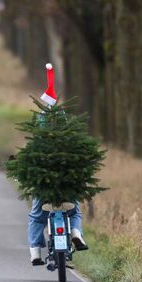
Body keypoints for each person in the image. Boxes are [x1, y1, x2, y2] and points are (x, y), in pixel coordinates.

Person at [28, 63, 88, 265]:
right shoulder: (69, 142)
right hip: (66, 187)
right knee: (75, 210)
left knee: (37, 216)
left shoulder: (38, 143)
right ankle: (76, 233)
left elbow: (28, 161)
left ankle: (35, 251)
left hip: (44, 188)